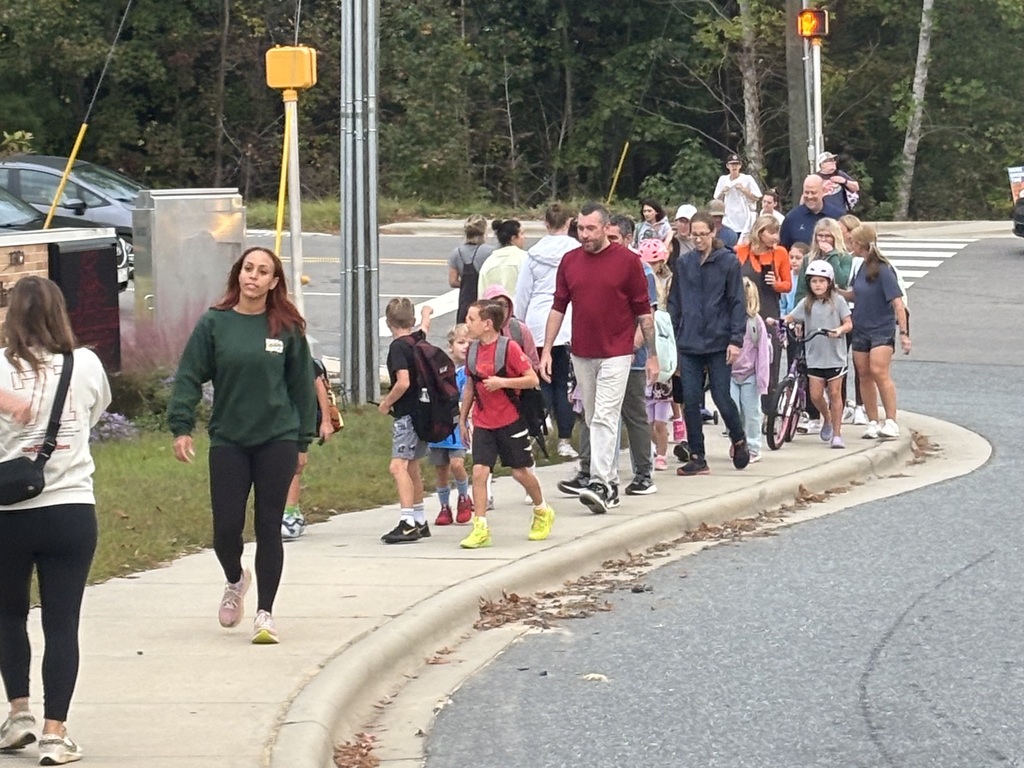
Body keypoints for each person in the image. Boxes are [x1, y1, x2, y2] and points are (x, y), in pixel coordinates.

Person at [168, 247, 316, 646]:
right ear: (239, 275)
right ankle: (236, 580)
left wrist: (303, 440)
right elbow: (188, 376)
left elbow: (302, 387)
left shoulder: (285, 328)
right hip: (230, 439)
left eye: (262, 271)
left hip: (278, 438)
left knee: (269, 526)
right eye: (248, 269)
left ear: (273, 282)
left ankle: (265, 614)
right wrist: (182, 426)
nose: (253, 276)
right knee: (225, 529)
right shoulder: (215, 324)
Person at [0, 277, 111, 765]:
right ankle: (54, 734)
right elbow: (95, 413)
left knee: (8, 615)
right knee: (62, 622)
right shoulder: (84, 364)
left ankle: (19, 713)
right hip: (70, 507)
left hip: (8, 513)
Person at [541, 202, 657, 514]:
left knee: (606, 415)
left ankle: (601, 482)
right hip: (582, 352)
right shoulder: (570, 261)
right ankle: (610, 486)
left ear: (606, 228)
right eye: (580, 228)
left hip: (618, 353)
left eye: (591, 228)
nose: (585, 234)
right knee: (592, 418)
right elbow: (558, 307)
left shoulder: (628, 262)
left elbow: (644, 313)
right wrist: (547, 349)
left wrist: (652, 356)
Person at [458, 300, 555, 549]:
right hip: (483, 421)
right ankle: (480, 527)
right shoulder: (472, 350)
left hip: (509, 419)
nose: (466, 323)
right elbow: (470, 385)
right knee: (479, 472)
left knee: (519, 471)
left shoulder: (508, 348)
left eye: (471, 319)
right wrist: (462, 418)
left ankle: (542, 510)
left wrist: (502, 382)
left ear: (487, 324)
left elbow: (531, 379)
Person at [667, 211, 750, 476]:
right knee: (690, 399)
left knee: (721, 396)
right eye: (695, 235)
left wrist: (736, 340)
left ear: (713, 233)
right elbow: (674, 301)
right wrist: (672, 336)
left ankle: (738, 438)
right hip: (689, 340)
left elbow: (737, 301)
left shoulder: (727, 262)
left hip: (718, 339)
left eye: (704, 234)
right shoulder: (684, 263)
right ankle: (697, 455)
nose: (699, 239)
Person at [515, 203, 578, 456]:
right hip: (565, 323)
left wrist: (520, 324)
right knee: (562, 384)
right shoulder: (576, 252)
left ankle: (540, 430)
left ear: (545, 223)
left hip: (537, 324)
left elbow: (523, 294)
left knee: (541, 383)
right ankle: (564, 440)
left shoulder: (534, 254)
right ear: (569, 223)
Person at [376, 299, 435, 544]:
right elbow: (425, 326)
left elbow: (403, 382)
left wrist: (387, 402)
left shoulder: (398, 348)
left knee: (397, 466)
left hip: (407, 417)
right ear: (410, 322)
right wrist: (426, 313)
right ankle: (420, 519)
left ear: (389, 323)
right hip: (424, 414)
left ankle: (407, 521)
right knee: (412, 467)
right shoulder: (417, 339)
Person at [843, 225, 911, 440]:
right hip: (861, 327)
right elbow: (856, 294)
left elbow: (898, 303)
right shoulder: (861, 267)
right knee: (863, 374)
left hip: (881, 328)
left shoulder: (883, 269)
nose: (849, 245)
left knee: (879, 371)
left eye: (852, 241)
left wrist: (904, 333)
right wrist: (835, 292)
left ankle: (891, 420)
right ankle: (873, 421)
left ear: (860, 244)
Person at [779, 260, 853, 448]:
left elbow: (848, 323)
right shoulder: (807, 303)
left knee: (835, 394)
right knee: (816, 395)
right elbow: (792, 316)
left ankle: (837, 434)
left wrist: (838, 330)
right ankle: (826, 417)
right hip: (815, 356)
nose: (818, 285)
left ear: (829, 282)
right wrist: (780, 321)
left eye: (822, 281)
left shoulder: (838, 301)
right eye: (814, 281)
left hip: (835, 356)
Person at [735, 215, 792, 412]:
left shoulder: (781, 253)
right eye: (772, 232)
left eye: (777, 232)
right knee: (741, 356)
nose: (776, 237)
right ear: (760, 233)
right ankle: (741, 409)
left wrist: (776, 283)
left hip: (768, 308)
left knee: (770, 358)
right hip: (744, 309)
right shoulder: (741, 251)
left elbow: (787, 285)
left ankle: (770, 410)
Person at [281, 359, 337, 539]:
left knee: (294, 466)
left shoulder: (301, 356)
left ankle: (290, 514)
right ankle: (283, 512)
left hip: (296, 418)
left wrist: (326, 421)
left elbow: (319, 386)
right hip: (274, 417)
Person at [429, 324, 473, 526]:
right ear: (450, 346)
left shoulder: (469, 372)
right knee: (441, 469)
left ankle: (464, 496)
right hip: (439, 426)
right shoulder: (442, 370)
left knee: (456, 463)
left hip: (458, 425)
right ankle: (444, 506)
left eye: (469, 343)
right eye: (461, 342)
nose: (465, 347)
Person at [730, 278, 771, 463]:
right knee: (733, 411)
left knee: (751, 412)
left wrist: (762, 382)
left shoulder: (756, 323)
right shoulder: (726, 320)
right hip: (730, 374)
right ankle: (738, 442)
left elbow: (762, 355)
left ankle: (754, 447)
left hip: (750, 375)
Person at [448, 214, 495, 323]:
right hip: (485, 302)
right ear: (484, 232)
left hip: (465, 304)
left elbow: (453, 282)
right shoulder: (490, 252)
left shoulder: (457, 252)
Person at [780, 175, 845, 249]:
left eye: (813, 193)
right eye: (806, 192)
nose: (809, 197)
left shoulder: (837, 216)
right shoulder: (791, 218)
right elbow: (784, 249)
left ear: (823, 191)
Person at [713, 154, 762, 237]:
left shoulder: (747, 179)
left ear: (740, 166)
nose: (734, 167)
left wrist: (744, 190)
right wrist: (722, 192)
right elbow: (716, 200)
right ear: (728, 166)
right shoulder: (723, 179)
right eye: (732, 164)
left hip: (743, 219)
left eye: (736, 164)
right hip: (728, 218)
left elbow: (757, 197)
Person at [477, 219, 528, 297]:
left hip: (495, 308)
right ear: (513, 238)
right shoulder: (526, 259)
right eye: (522, 234)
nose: (525, 237)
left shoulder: (489, 263)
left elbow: (482, 294)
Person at [779, 242, 810, 317]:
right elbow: (782, 303)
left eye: (798, 258)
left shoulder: (809, 277)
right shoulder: (786, 276)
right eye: (791, 257)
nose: (794, 261)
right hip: (788, 317)